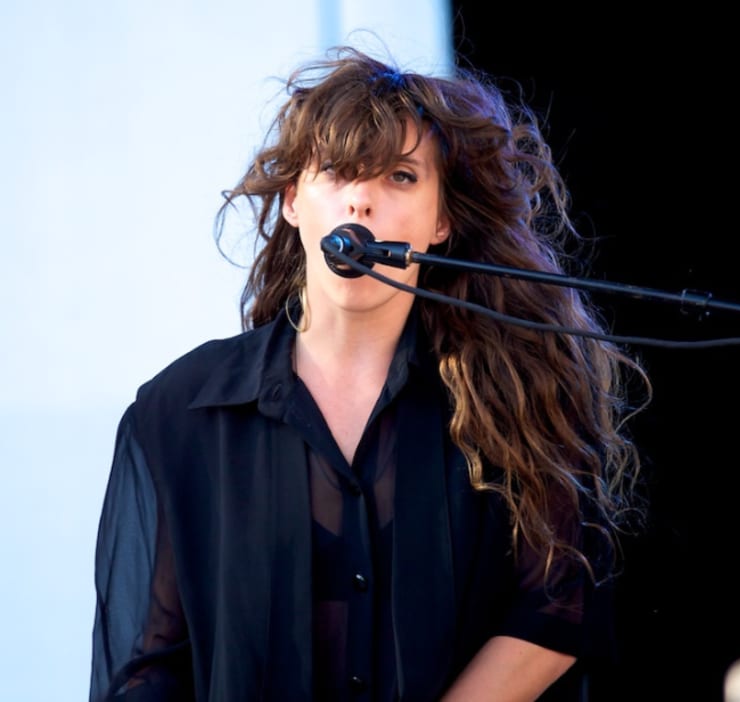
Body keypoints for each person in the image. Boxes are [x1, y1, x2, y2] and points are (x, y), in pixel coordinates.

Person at [89, 43, 651, 702]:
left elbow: (553, 610)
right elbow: (149, 667)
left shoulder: (514, 392)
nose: (360, 201)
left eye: (399, 177)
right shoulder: (182, 411)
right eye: (337, 172)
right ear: (293, 201)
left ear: (441, 221)